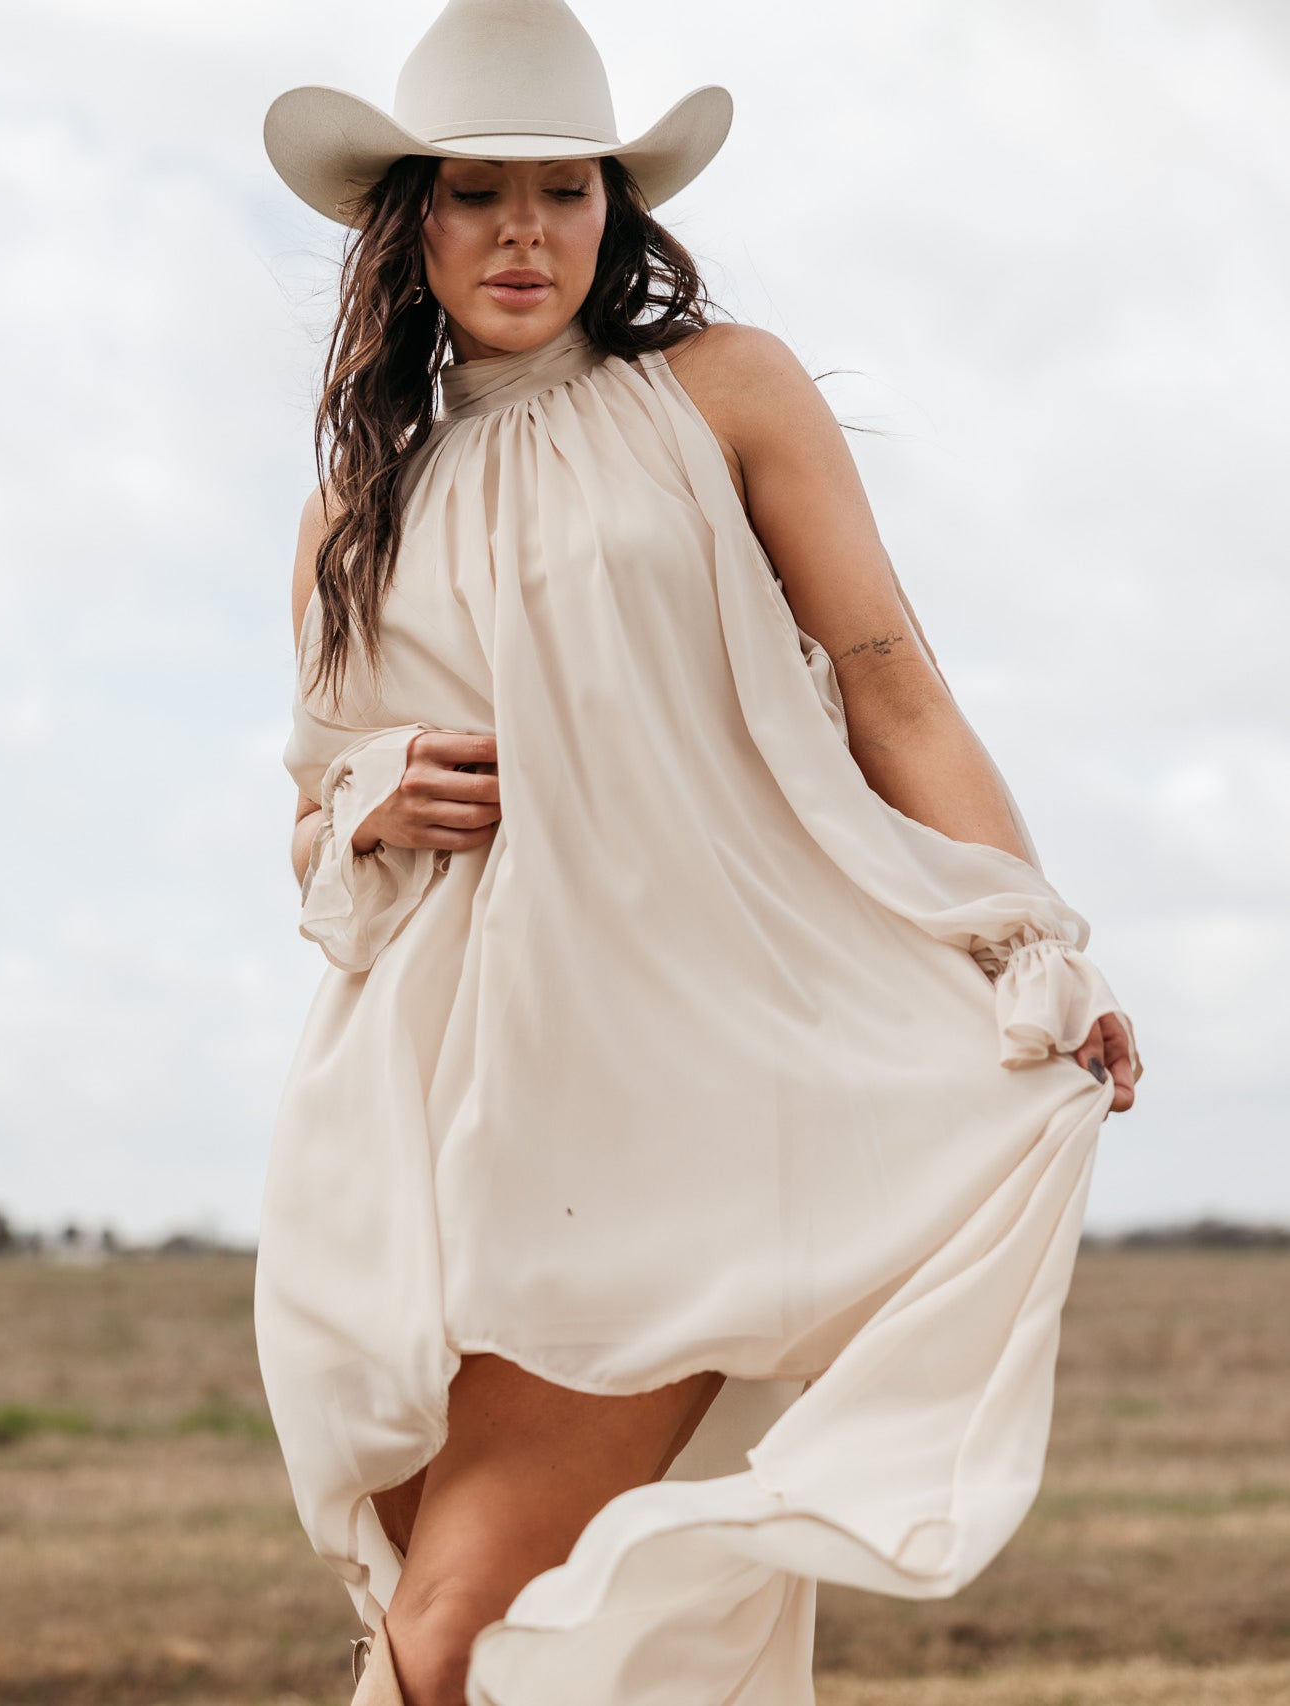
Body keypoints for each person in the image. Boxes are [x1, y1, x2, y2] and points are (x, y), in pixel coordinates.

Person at [254, 4, 1143, 1704]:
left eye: (564, 189)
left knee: (448, 1632)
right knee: (437, 1626)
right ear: (409, 222)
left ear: (616, 208)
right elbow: (309, 835)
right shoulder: (351, 508)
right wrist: (362, 799)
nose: (524, 232)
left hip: (672, 1094)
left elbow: (888, 686)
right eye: (475, 192)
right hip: (420, 1106)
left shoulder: (720, 391)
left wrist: (1025, 936)